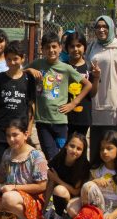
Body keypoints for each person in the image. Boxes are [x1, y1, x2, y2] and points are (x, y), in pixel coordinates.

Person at [26, 31, 92, 161]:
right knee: (51, 156)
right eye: (47, 47)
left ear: (60, 48)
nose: (51, 50)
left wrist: (73, 103)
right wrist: (29, 70)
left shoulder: (66, 68)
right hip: (42, 121)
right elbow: (19, 72)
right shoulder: (37, 64)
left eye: (54, 46)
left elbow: (88, 85)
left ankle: (63, 180)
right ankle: (56, 179)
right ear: (42, 49)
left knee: (63, 155)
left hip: (60, 121)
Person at [86, 16, 117, 164]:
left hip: (115, 102)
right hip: (96, 99)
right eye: (98, 27)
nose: (101, 29)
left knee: (113, 142)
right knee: (97, 143)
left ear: (112, 28)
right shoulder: (92, 47)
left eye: (105, 26)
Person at [0, 40, 36, 168]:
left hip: (20, 129)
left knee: (19, 163)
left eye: (16, 59)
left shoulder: (28, 79)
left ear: (23, 58)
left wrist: (30, 127)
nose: (12, 62)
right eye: (9, 59)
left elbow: (32, 105)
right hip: (0, 129)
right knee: (0, 164)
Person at [42, 132, 90, 219]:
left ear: (83, 151)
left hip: (76, 198)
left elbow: (76, 192)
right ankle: (51, 212)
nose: (74, 150)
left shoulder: (83, 166)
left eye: (79, 149)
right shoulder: (59, 158)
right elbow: (50, 178)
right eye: (72, 146)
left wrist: (57, 180)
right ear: (66, 145)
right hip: (59, 193)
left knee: (60, 190)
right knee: (52, 185)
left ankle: (60, 216)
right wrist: (43, 208)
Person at [62, 31, 92, 137]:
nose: (75, 49)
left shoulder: (89, 67)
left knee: (80, 147)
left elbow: (93, 93)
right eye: (72, 46)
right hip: (64, 116)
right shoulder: (62, 67)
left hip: (83, 117)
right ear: (67, 48)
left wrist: (96, 78)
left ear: (84, 47)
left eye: (79, 45)